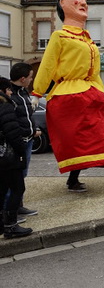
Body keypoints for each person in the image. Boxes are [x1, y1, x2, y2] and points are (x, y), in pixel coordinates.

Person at [32, 0, 104, 193]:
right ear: (62, 3)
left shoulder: (88, 40)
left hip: (89, 91)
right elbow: (48, 65)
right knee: (74, 140)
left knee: (96, 136)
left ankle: (75, 177)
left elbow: (94, 73)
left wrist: (102, 94)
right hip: (68, 94)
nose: (83, 2)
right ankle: (72, 178)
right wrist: (37, 92)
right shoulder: (59, 36)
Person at [0, 78, 33, 239]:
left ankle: (2, 223)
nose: (11, 92)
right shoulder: (5, 107)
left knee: (2, 189)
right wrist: (21, 151)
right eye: (9, 90)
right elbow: (12, 132)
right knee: (17, 188)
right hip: (8, 157)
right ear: (4, 91)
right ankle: (11, 226)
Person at [9, 63, 40, 218]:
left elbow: (26, 116)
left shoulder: (24, 92)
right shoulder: (9, 96)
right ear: (22, 79)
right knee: (13, 178)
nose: (31, 79)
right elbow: (10, 121)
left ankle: (17, 206)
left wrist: (33, 131)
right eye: (30, 77)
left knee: (22, 175)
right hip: (17, 143)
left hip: (28, 141)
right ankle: (9, 212)